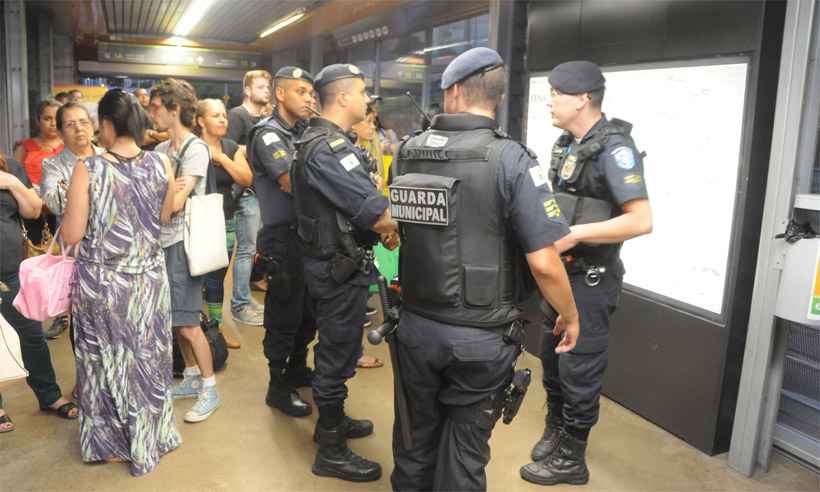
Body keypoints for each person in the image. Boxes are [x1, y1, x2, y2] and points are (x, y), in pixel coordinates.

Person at [387, 47, 580, 492]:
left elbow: (399, 227)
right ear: (496, 98)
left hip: (415, 326)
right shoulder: (512, 160)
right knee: (464, 453)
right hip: (481, 339)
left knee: (413, 440)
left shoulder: (407, 152)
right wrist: (569, 316)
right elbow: (544, 261)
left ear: (452, 92)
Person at [520, 60, 653, 486]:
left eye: (556, 95)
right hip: (562, 275)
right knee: (552, 359)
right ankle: (556, 430)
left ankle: (572, 458)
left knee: (581, 367)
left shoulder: (615, 148)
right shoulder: (568, 144)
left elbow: (640, 220)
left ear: (582, 99)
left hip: (591, 279)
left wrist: (576, 234)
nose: (549, 103)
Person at [61, 88, 180, 474]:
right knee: (148, 360)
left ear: (108, 125)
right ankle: (154, 435)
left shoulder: (90, 168)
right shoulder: (162, 164)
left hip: (105, 284)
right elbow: (162, 218)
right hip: (149, 280)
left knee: (103, 364)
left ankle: (113, 443)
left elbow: (73, 233)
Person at [292, 63, 400, 482]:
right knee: (336, 358)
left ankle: (330, 423)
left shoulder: (326, 142)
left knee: (338, 352)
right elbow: (374, 210)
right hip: (337, 268)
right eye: (361, 92)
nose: (367, 100)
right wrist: (391, 229)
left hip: (337, 262)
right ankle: (331, 450)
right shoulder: (328, 149)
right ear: (342, 98)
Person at [149, 78, 221, 423]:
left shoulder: (195, 149)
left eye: (156, 107)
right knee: (176, 320)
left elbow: (174, 204)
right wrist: (167, 191)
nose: (152, 113)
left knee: (190, 322)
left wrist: (167, 194)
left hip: (184, 245)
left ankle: (210, 388)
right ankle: (191, 377)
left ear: (174, 109)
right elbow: (160, 198)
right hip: (162, 243)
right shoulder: (162, 152)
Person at [247, 66, 317, 417]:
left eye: (311, 93)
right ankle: (278, 385)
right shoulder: (268, 135)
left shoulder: (306, 131)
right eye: (301, 91)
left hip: (309, 236)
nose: (309, 98)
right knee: (284, 313)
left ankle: (297, 368)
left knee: (308, 311)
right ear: (279, 93)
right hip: (283, 237)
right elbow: (293, 181)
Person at [0, 151, 79, 434]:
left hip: (10, 270)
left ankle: (49, 396)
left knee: (32, 335)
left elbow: (33, 211)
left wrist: (11, 182)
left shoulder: (9, 165)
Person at [40, 102, 103, 339]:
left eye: (84, 122)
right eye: (70, 124)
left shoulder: (108, 157)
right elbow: (55, 203)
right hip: (78, 253)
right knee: (83, 322)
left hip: (112, 252)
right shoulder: (53, 164)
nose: (79, 129)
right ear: (60, 131)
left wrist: (74, 193)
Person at [196, 98, 252, 350]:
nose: (222, 120)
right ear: (200, 121)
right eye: (215, 115)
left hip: (225, 221)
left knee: (217, 280)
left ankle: (214, 332)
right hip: (195, 222)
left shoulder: (231, 147)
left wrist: (221, 158)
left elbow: (247, 178)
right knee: (193, 281)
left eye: (224, 116)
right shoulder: (192, 147)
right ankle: (193, 334)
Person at [226, 70, 273, 325]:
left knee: (254, 249)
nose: (266, 91)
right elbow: (228, 147)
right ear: (247, 90)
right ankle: (240, 304)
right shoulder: (237, 115)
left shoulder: (266, 117)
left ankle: (246, 297)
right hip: (247, 192)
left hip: (263, 192)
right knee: (245, 250)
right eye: (261, 87)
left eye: (268, 87)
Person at [14, 99, 64, 245]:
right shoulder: (24, 147)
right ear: (38, 120)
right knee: (35, 249)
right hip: (31, 208)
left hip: (63, 209)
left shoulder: (70, 147)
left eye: (57, 119)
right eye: (47, 118)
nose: (53, 123)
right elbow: (15, 177)